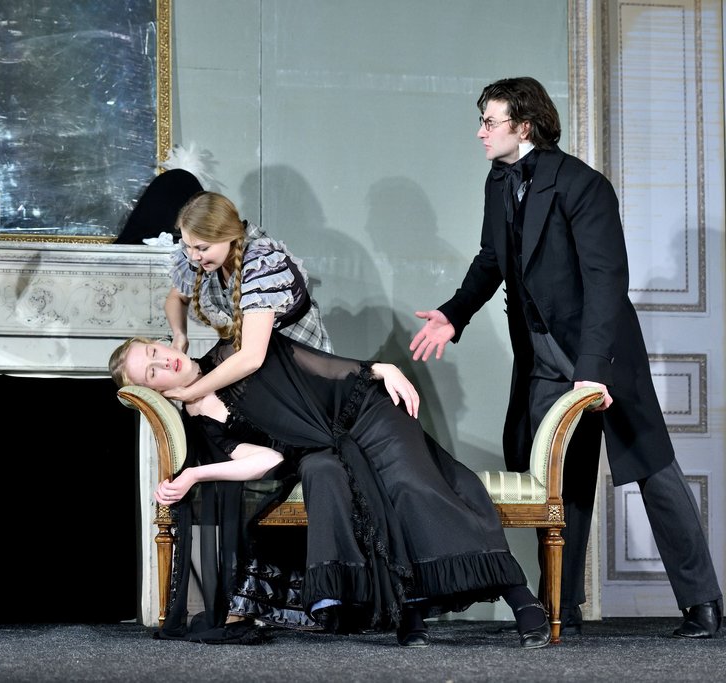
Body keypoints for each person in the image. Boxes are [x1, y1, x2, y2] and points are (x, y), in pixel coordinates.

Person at [409, 76, 722, 639]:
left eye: (490, 121)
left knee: (652, 467)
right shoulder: (499, 181)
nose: (480, 132)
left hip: (600, 350)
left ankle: (702, 602)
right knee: (559, 479)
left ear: (524, 126)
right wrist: (454, 314)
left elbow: (606, 283)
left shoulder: (583, 185)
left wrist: (592, 370)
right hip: (541, 354)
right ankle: (563, 602)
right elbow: (491, 259)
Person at [110, 333, 553, 649]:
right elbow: (268, 460)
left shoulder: (235, 351)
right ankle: (409, 607)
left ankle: (519, 596)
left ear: (165, 342)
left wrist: (378, 369)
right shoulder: (204, 425)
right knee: (372, 494)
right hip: (328, 449)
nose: (163, 362)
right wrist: (193, 475)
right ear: (156, 391)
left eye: (155, 351)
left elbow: (317, 365)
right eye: (152, 371)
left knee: (410, 486)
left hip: (365, 414)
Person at [163, 191, 332, 404]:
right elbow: (176, 299)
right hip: (257, 352)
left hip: (297, 356)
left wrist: (192, 392)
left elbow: (252, 357)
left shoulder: (260, 264)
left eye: (202, 248)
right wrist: (180, 335)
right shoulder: (200, 256)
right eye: (188, 246)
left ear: (227, 235)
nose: (194, 256)